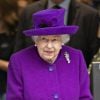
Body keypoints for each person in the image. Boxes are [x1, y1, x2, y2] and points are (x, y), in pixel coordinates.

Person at [6, 8, 92, 100]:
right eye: (44, 39)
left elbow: (85, 97)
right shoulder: (19, 60)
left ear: (62, 41)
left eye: (54, 39)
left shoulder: (76, 57)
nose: (49, 46)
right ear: (36, 40)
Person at [14, 0, 100, 67]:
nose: (49, 45)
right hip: (34, 74)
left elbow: (93, 53)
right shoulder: (29, 11)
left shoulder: (89, 14)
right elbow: (20, 47)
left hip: (72, 77)